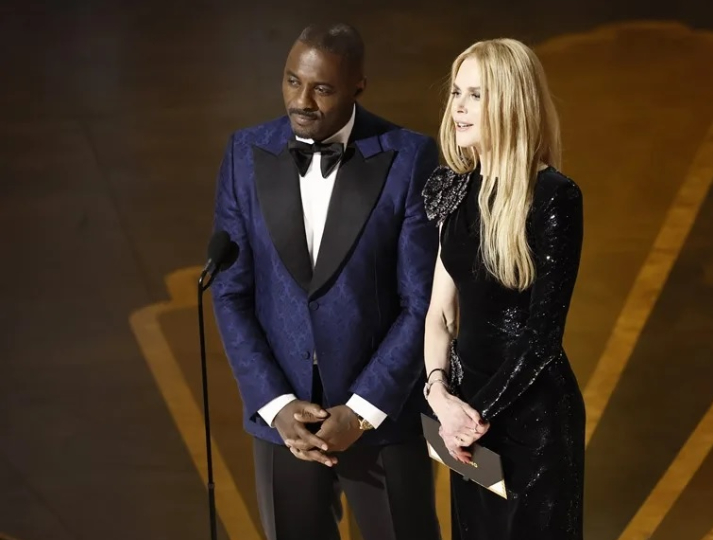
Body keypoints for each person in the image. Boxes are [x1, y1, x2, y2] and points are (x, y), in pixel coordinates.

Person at [211, 22, 442, 540]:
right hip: (285, 426)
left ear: (359, 85)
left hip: (382, 421)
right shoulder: (244, 154)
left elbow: (421, 302)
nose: (302, 101)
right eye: (293, 82)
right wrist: (276, 405)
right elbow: (230, 291)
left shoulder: (408, 158)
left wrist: (360, 412)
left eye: (322, 88)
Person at [421, 38, 585, 539]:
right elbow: (440, 315)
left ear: (511, 102)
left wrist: (471, 418)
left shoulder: (555, 197)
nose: (458, 108)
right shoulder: (454, 190)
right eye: (455, 93)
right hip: (465, 415)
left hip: (531, 420)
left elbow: (542, 338)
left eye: (476, 94)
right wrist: (440, 393)